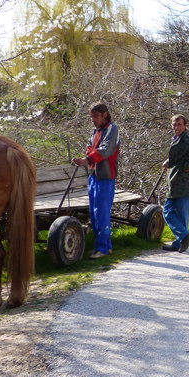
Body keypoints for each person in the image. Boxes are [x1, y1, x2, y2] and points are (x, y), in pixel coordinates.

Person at [72, 101, 121, 259]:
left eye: (95, 116)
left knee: (102, 213)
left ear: (104, 115)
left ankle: (103, 248)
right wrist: (86, 158)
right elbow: (89, 147)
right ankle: (103, 245)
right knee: (93, 214)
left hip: (106, 177)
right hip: (93, 176)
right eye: (91, 117)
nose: (93, 119)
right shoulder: (95, 131)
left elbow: (105, 150)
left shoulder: (112, 129)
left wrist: (87, 159)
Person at [162, 114, 189, 252]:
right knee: (173, 212)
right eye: (174, 124)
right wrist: (169, 162)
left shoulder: (187, 138)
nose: (176, 127)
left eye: (179, 124)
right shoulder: (177, 139)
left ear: (185, 126)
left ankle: (184, 236)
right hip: (175, 181)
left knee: (170, 212)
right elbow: (180, 156)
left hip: (183, 182)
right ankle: (179, 242)